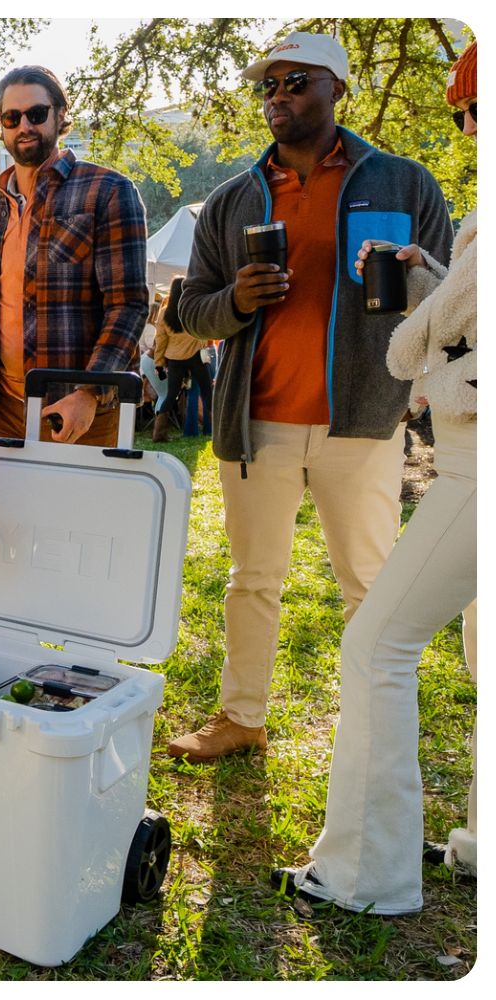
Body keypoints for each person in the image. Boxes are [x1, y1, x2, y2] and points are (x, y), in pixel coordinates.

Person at [168, 31, 453, 762]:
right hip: (255, 421)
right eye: (268, 84)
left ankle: (377, 728)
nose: (278, 95)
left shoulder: (404, 183)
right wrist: (235, 299)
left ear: (337, 88)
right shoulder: (231, 200)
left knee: (370, 585)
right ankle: (241, 719)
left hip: (363, 419)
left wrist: (416, 281)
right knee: (253, 580)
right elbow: (189, 311)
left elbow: (451, 301)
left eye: (296, 81)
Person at [273, 40, 477, 914]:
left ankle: (366, 874)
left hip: (473, 460)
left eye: (474, 110)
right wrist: (437, 289)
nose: (468, 127)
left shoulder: (452, 200)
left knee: (378, 644)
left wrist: (419, 312)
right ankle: (478, 841)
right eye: (463, 113)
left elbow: (407, 346)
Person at [0, 65, 149, 626]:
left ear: (61, 117)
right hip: (3, 407)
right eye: (12, 117)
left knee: (80, 558)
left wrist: (89, 392)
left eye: (36, 113)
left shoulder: (108, 190)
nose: (24, 125)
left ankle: (67, 678)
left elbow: (129, 304)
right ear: (0, 129)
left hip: (82, 411)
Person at [152, 275, 213, 443]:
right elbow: (205, 328)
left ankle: (159, 434)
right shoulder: (192, 308)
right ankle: (218, 430)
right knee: (207, 393)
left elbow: (160, 341)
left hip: (174, 359)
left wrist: (158, 364)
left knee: (171, 395)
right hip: (196, 357)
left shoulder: (164, 313)